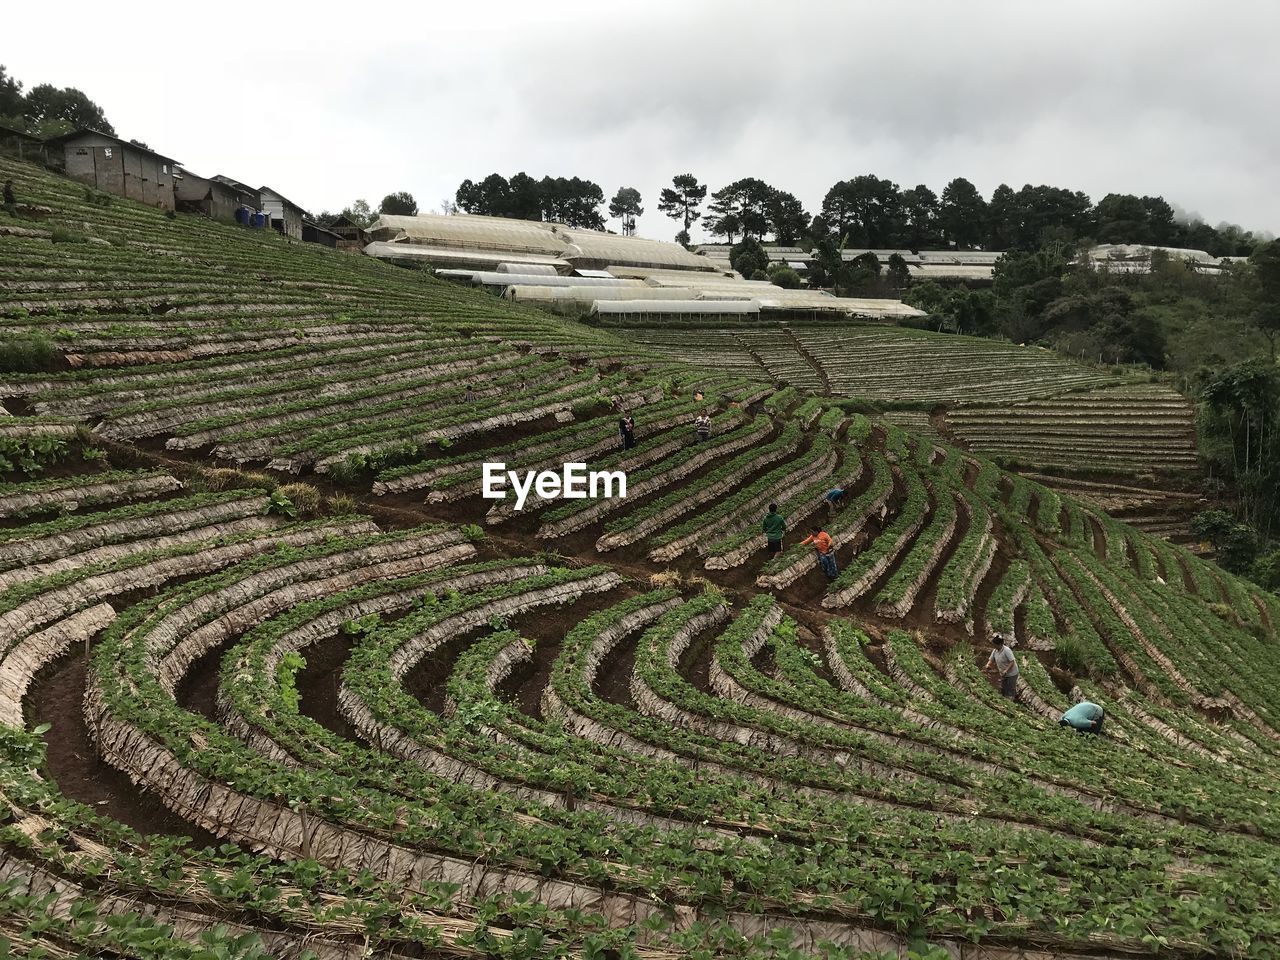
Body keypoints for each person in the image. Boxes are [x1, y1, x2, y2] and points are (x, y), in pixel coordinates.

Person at [984, 634, 1020, 700]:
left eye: (995, 645)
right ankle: (1011, 697)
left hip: (1012, 673)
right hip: (1003, 673)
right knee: (1004, 688)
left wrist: (1006, 670)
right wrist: (988, 665)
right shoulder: (995, 651)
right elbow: (991, 660)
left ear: (1000, 644)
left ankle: (1011, 700)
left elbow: (1012, 661)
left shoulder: (1007, 650)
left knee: (1010, 688)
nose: (994, 646)